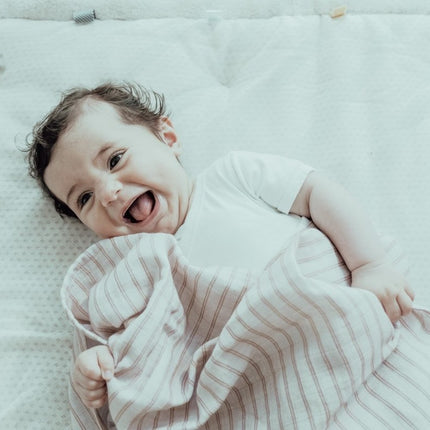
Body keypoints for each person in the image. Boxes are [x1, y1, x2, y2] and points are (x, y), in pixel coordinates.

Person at [27, 82, 414, 411]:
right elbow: (137, 346)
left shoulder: (232, 176)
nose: (108, 193)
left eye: (114, 159)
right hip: (261, 389)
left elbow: (317, 193)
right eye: (84, 199)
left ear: (167, 138)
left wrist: (368, 265)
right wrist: (99, 364)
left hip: (330, 326)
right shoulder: (131, 271)